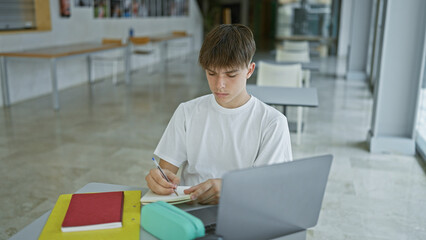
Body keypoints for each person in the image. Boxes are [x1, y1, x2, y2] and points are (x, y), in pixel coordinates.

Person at [145, 24, 292, 205]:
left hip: (244, 210)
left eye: (231, 75)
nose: (219, 84)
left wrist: (232, 189)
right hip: (190, 209)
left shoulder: (272, 123)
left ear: (250, 70)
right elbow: (166, 172)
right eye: (211, 73)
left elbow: (271, 188)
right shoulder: (187, 112)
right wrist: (159, 180)